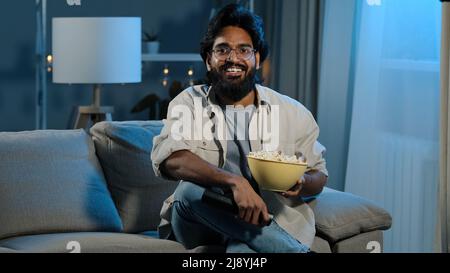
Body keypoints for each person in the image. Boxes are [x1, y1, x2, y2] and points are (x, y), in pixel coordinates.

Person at [151, 3, 328, 253]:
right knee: (189, 191)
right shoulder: (189, 102)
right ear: (209, 60)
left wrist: (301, 181)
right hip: (199, 222)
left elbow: (319, 175)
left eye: (243, 50)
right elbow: (172, 160)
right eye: (222, 50)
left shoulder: (292, 112)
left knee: (242, 252)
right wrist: (235, 183)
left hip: (265, 222)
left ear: (256, 58)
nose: (233, 58)